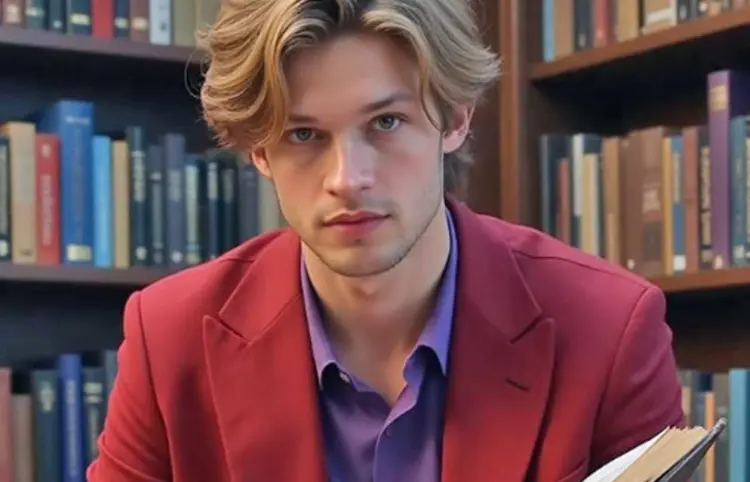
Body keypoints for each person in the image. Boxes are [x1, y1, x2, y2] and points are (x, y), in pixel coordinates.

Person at [86, 0, 685, 481]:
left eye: (385, 122)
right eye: (303, 134)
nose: (348, 179)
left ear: (456, 118)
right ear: (259, 151)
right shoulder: (169, 337)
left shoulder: (610, 329)